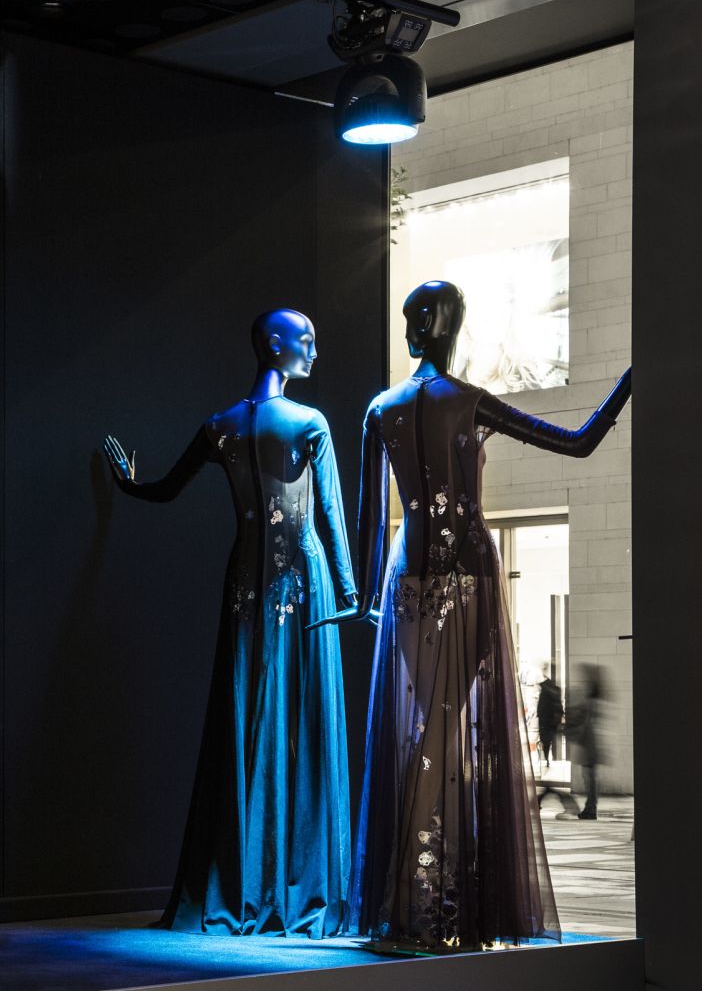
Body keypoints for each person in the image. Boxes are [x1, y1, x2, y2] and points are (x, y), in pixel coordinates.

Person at [313, 280, 630, 952]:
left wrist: (361, 600)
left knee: (426, 733)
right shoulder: (470, 401)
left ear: (421, 327)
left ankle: (418, 897)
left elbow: (372, 519)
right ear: (452, 327)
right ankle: (428, 901)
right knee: (444, 731)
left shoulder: (379, 409)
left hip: (405, 582)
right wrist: (629, 384)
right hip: (467, 578)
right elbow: (577, 443)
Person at [103, 309, 357, 937]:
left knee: (246, 717)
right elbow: (329, 512)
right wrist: (351, 591)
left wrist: (129, 484)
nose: (314, 352)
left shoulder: (220, 426)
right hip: (305, 583)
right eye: (306, 341)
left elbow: (165, 488)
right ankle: (301, 887)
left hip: (244, 582)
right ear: (274, 344)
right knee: (301, 722)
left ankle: (244, 882)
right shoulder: (309, 422)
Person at [569, 668, 607, 820]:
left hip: (589, 745)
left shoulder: (590, 702)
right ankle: (590, 808)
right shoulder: (594, 702)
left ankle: (590, 809)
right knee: (590, 777)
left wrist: (577, 737)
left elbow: (585, 724)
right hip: (591, 744)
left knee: (589, 778)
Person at [537, 674, 563, 770]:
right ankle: (549, 758)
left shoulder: (545, 692)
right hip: (552, 721)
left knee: (546, 741)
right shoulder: (556, 690)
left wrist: (540, 716)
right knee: (549, 740)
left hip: (545, 721)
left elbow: (541, 708)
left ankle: (547, 758)